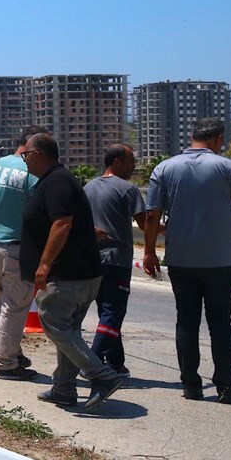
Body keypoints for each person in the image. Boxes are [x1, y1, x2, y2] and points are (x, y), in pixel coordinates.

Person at [143, 119, 231, 404]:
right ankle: (225, 386)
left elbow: (151, 215)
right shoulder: (226, 167)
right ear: (218, 139)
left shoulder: (165, 168)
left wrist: (149, 251)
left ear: (192, 137)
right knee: (221, 324)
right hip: (220, 260)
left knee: (186, 322)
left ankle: (191, 386)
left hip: (181, 260)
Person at [20, 133, 123, 409]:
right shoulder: (57, 181)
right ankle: (64, 388)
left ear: (38, 154)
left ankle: (101, 375)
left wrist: (44, 264)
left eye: (25, 155)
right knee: (69, 329)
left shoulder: (57, 182)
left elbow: (62, 223)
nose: (25, 160)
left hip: (67, 274)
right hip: (80, 272)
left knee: (54, 324)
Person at [0, 125, 50, 380]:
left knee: (5, 306)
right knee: (14, 307)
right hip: (17, 248)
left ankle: (13, 353)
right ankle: (6, 364)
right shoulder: (32, 172)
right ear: (33, 146)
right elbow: (40, 215)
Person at [83, 144, 147, 376]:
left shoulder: (88, 187)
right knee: (113, 312)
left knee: (106, 312)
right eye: (131, 162)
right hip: (116, 260)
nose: (134, 167)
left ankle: (116, 363)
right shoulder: (127, 189)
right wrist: (172, 228)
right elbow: (145, 224)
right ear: (118, 162)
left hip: (92, 258)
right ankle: (93, 361)